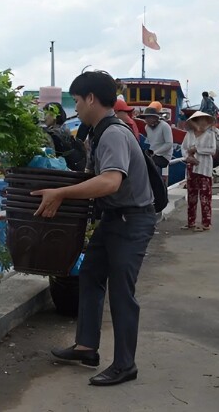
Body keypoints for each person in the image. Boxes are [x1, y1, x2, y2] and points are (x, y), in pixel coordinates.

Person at [31, 70, 156, 387]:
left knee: (121, 291)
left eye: (76, 100)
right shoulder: (98, 131)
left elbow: (110, 181)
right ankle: (87, 347)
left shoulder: (113, 133)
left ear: (90, 98)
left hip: (132, 218)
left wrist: (60, 194)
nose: (75, 107)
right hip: (115, 217)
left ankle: (125, 364)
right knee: (91, 275)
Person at [181, 111, 217, 231]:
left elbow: (212, 150)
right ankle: (190, 221)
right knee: (191, 196)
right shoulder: (189, 134)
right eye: (198, 120)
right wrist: (188, 157)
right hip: (191, 168)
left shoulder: (210, 134)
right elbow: (183, 148)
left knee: (205, 196)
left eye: (203, 120)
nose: (201, 122)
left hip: (204, 168)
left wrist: (197, 150)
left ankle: (206, 223)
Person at [42, 102, 86, 172]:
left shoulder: (51, 134)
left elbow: (51, 159)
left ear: (54, 115)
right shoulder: (65, 128)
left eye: (46, 114)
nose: (44, 117)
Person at [137, 106, 173, 179]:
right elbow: (152, 143)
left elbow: (169, 144)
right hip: (153, 154)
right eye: (145, 118)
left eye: (148, 117)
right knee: (139, 159)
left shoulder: (164, 126)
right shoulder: (147, 127)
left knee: (151, 164)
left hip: (164, 156)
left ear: (155, 117)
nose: (146, 120)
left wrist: (155, 152)